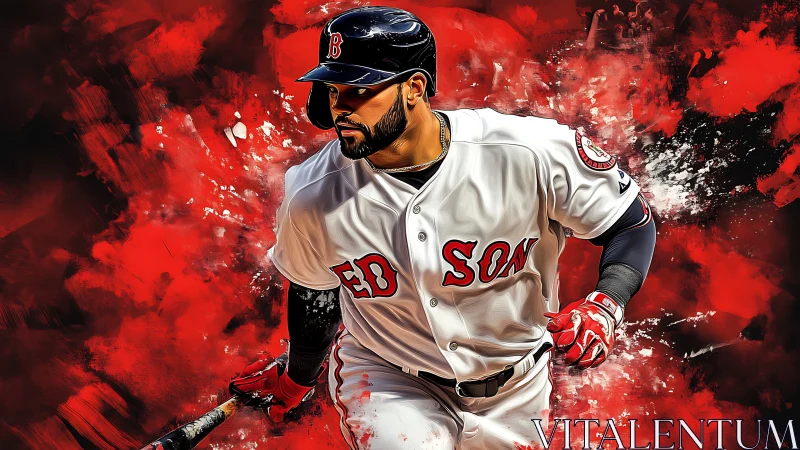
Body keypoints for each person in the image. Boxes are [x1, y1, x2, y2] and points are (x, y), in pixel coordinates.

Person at [230, 6, 656, 449]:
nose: (341, 108)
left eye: (359, 89)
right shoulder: (312, 193)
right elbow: (314, 293)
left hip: (519, 390)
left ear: (414, 87)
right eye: (334, 90)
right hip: (387, 381)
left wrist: (606, 305)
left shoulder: (530, 152)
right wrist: (298, 377)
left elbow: (630, 223)